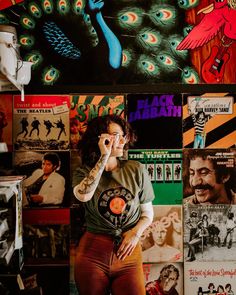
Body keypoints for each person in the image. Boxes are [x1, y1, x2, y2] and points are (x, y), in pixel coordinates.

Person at [72, 114, 155, 295]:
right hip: (92, 252)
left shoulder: (136, 169)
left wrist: (135, 233)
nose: (122, 140)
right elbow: (83, 196)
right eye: (115, 135)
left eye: (123, 135)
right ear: (99, 139)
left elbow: (148, 213)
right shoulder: (83, 171)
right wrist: (104, 157)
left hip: (129, 253)